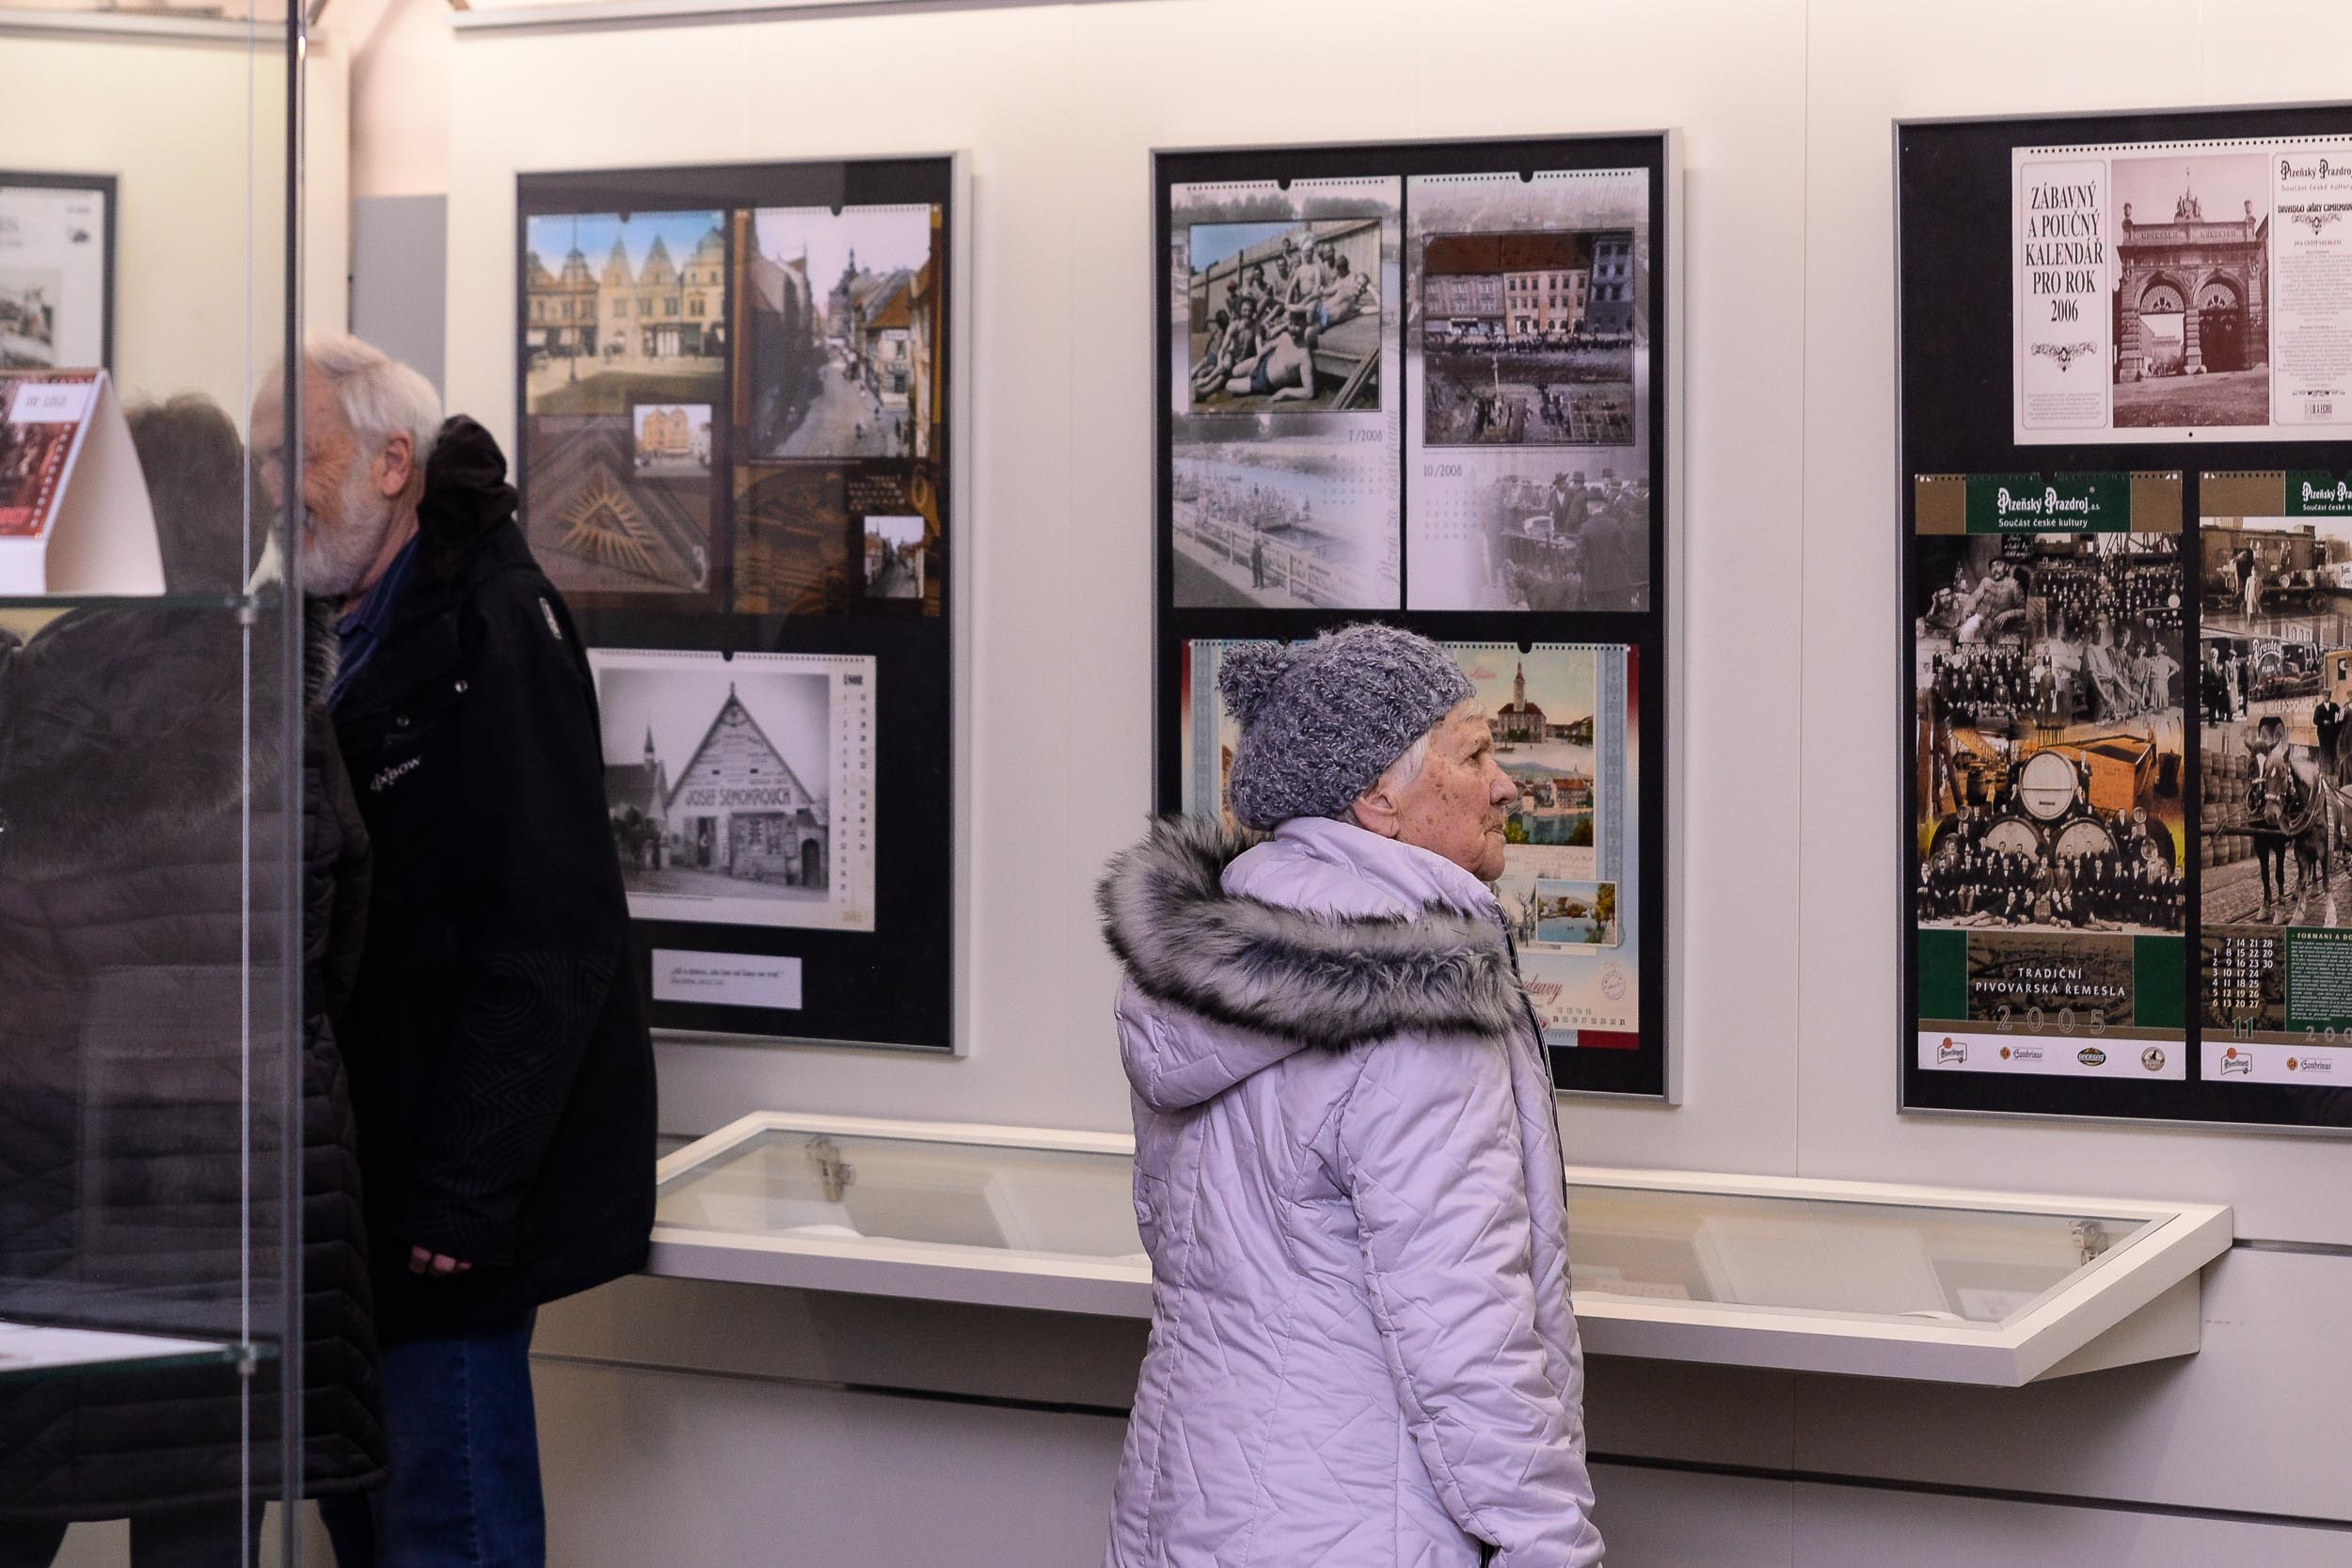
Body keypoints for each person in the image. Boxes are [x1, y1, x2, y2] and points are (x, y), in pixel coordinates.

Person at [250, 335, 657, 1568]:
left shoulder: (492, 622)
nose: (274, 484)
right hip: (352, 1190)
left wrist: (468, 1192)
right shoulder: (324, 627)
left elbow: (553, 933)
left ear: (389, 464)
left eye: (297, 452)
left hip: (442, 1205)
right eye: (260, 457)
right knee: (375, 1521)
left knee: (452, 1526)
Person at [1095, 625, 1605, 1568]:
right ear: (1378, 796)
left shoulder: (1213, 965)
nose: (1506, 784)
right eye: (1475, 752)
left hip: (1193, 1497)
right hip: (1366, 1521)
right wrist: (1548, 1545)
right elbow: (1465, 1332)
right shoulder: (1418, 999)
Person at [0, 394, 384, 1563]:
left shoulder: (45, 692)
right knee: (202, 1515)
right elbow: (340, 920)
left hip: (62, 1166)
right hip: (236, 1172)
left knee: (26, 1494)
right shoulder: (285, 687)